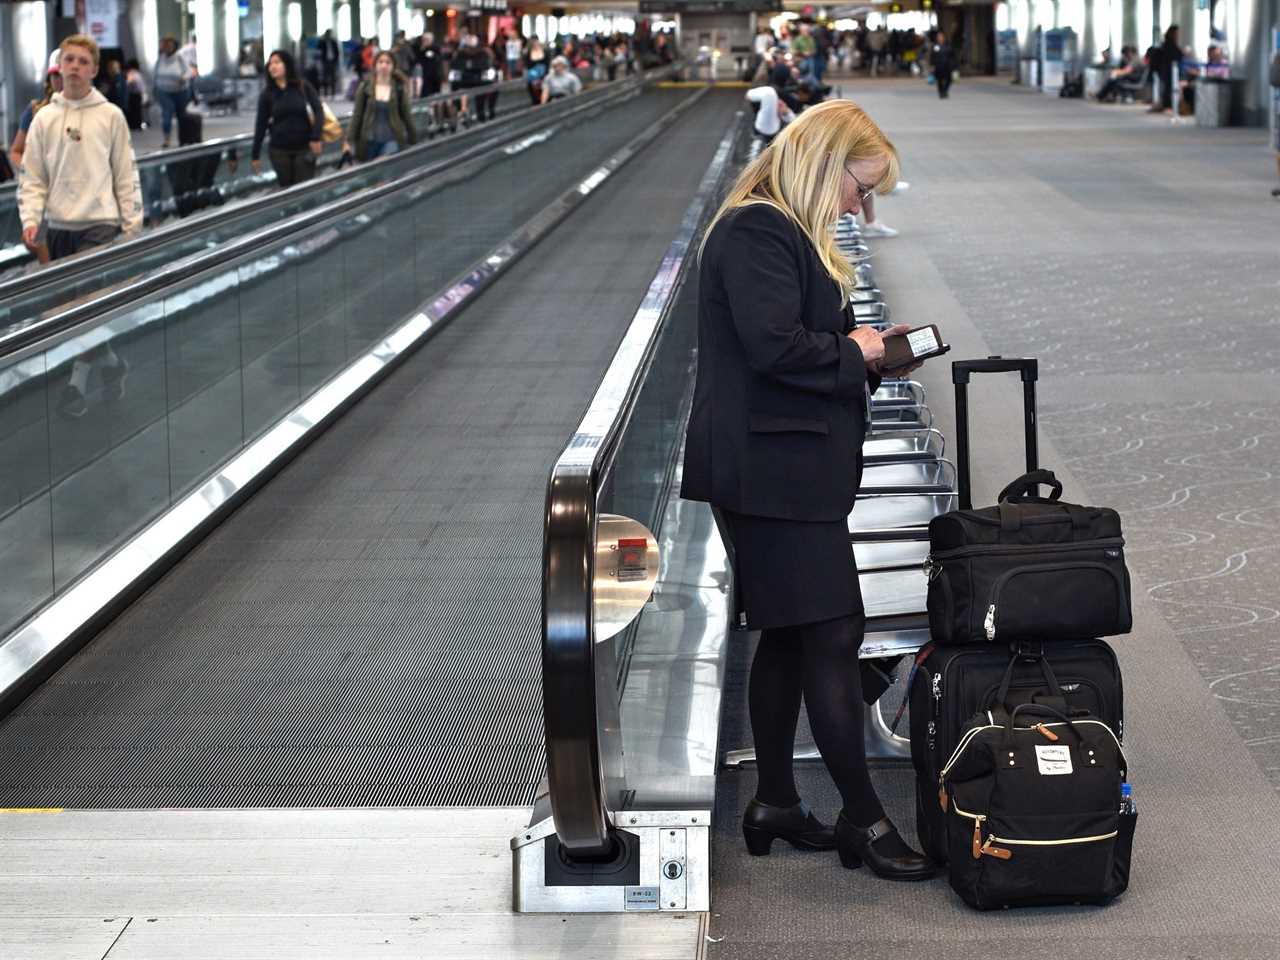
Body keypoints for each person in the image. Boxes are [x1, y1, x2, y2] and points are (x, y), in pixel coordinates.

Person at [681, 99, 934, 881]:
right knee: (831, 634)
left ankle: (779, 803)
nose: (863, 204)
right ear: (824, 165)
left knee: (791, 635)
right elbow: (773, 347)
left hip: (782, 469)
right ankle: (865, 820)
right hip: (769, 476)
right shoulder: (758, 228)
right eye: (860, 186)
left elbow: (796, 343)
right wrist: (854, 351)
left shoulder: (784, 229)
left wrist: (872, 356)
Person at [18, 34, 140, 417]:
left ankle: (76, 385)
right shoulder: (45, 119)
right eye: (68, 60)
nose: (74, 66)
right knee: (67, 307)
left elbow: (125, 172)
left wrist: (131, 226)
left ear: (94, 70)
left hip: (100, 226)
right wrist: (30, 219)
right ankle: (112, 363)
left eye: (82, 61)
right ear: (59, 67)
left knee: (84, 307)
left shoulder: (110, 116)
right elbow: (33, 176)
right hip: (58, 227)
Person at [251, 49, 324, 188]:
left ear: (287, 65)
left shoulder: (303, 87)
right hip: (279, 150)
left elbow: (318, 111)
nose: (272, 66)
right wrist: (255, 155)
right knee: (286, 190)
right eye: (270, 63)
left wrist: (316, 137)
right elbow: (260, 125)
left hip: (304, 147)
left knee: (303, 189)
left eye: (277, 62)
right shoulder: (267, 94)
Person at [348, 49, 416, 160]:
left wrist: (413, 139)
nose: (384, 65)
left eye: (388, 62)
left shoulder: (399, 89)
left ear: (393, 66)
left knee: (384, 168)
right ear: (375, 65)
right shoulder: (365, 87)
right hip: (369, 140)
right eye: (380, 62)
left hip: (392, 139)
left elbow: (406, 115)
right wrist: (349, 141)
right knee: (371, 174)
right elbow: (357, 115)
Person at [451, 33, 499, 124]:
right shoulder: (460, 53)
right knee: (459, 93)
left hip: (480, 80)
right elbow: (456, 66)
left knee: (486, 93)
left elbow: (489, 65)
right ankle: (462, 112)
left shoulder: (484, 52)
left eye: (472, 40)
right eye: (469, 40)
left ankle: (484, 112)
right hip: (465, 80)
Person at [154, 35, 191, 148]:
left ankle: (183, 139)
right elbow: (155, 74)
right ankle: (167, 139)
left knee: (181, 115)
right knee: (166, 114)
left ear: (174, 46)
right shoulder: (160, 58)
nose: (167, 47)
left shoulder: (180, 57)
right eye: (165, 45)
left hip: (181, 91)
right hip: (164, 91)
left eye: (170, 45)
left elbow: (188, 71)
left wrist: (184, 78)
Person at [525, 40, 549, 105]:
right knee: (532, 84)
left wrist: (544, 74)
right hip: (533, 74)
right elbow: (527, 65)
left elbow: (547, 64)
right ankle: (535, 100)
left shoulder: (545, 52)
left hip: (543, 73)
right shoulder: (529, 53)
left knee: (544, 85)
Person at [931, 30, 954, 98]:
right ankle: (941, 92)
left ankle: (945, 90)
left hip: (947, 65)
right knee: (939, 80)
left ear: (944, 37)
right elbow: (932, 56)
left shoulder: (948, 45)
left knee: (949, 79)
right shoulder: (935, 46)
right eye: (938, 37)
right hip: (938, 65)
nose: (940, 38)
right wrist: (932, 65)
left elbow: (952, 55)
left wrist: (954, 65)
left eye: (941, 36)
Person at [318, 29, 340, 96]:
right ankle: (325, 93)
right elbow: (318, 48)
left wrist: (336, 60)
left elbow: (337, 52)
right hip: (325, 61)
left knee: (333, 77)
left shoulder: (333, 42)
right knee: (325, 77)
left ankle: (333, 93)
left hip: (332, 61)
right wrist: (321, 39)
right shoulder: (322, 42)